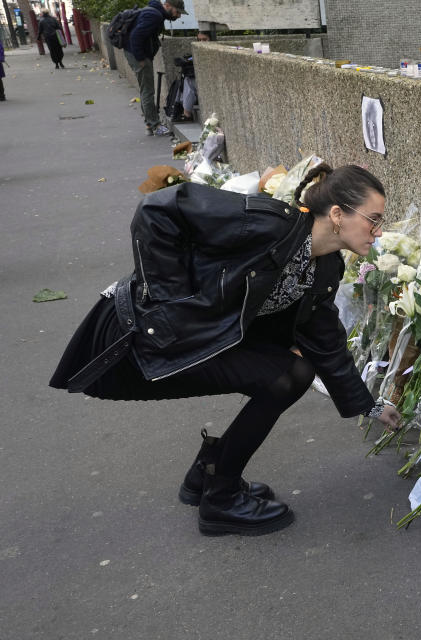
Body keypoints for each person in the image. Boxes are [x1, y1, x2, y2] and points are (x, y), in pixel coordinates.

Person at [49, 163, 401, 536]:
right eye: (373, 220)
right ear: (336, 214)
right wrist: (169, 305)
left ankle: (209, 475)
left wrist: (371, 405)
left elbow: (326, 340)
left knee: (293, 372)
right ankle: (221, 499)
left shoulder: (324, 268)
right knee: (285, 376)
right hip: (137, 339)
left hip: (186, 341)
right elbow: (157, 209)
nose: (378, 233)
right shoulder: (269, 224)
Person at [124, 0, 186, 136]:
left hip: (136, 53)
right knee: (148, 90)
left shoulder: (154, 12)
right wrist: (141, 59)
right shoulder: (155, 16)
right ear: (168, 6)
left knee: (145, 89)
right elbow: (136, 37)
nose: (178, 16)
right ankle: (155, 125)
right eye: (177, 12)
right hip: (138, 55)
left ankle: (150, 124)